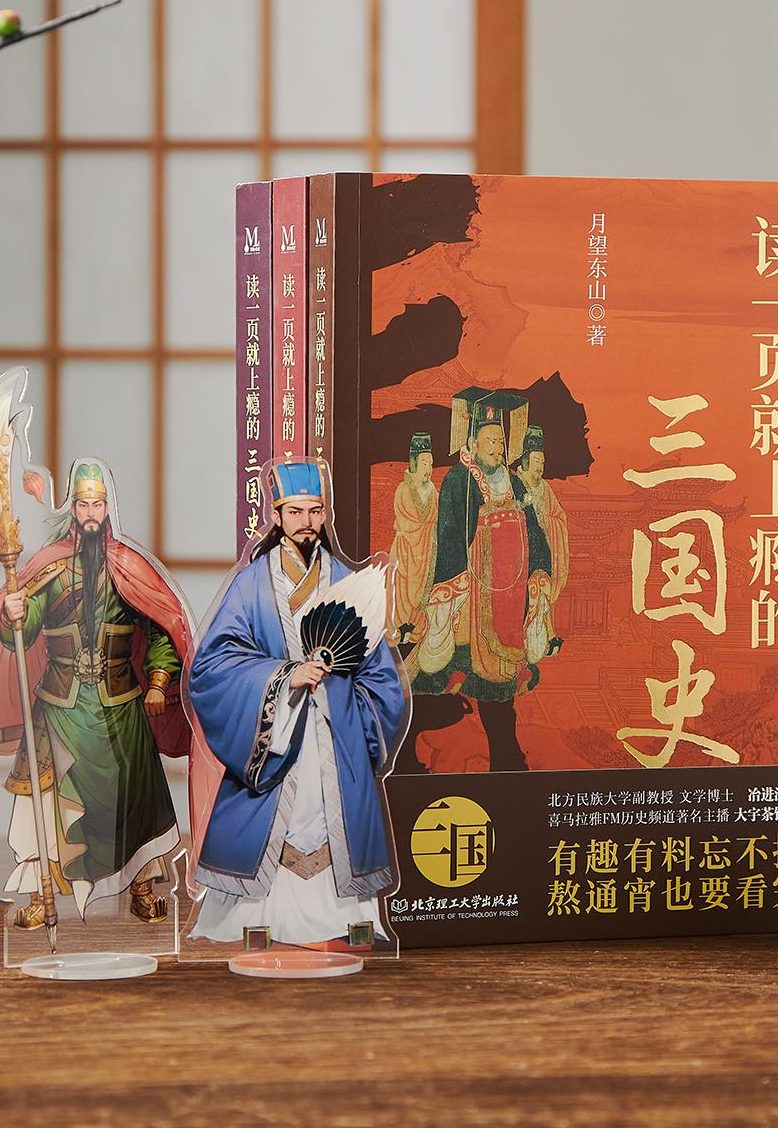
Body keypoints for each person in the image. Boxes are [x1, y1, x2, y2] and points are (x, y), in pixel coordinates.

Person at [0, 461, 193, 925]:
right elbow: (18, 635)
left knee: (136, 799)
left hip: (121, 706)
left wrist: (159, 682)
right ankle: (41, 895)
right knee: (42, 802)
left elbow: (161, 628)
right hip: (59, 706)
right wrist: (13, 612)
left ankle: (141, 886)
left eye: (98, 503)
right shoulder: (49, 566)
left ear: (108, 507)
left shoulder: (128, 567)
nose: (91, 512)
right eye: (83, 504)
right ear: (72, 509)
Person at [188, 460, 408, 946]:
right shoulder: (251, 585)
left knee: (334, 819)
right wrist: (284, 677)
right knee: (272, 819)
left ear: (325, 514)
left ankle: (346, 920)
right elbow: (212, 667)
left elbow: (383, 681)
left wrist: (348, 710)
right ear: (277, 516)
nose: (306, 522)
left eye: (315, 511)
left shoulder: (348, 584)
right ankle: (255, 919)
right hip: (274, 735)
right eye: (295, 512)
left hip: (334, 736)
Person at [407, 389, 555, 771]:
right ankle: (406, 754)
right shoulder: (459, 479)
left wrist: (540, 568)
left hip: (511, 597)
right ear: (472, 443)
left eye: (501, 442)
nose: (497, 449)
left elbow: (534, 529)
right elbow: (449, 536)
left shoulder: (515, 483)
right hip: (472, 596)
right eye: (489, 441)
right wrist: (456, 585)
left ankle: (507, 759)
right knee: (442, 680)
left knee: (499, 693)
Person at [514, 425, 568, 663]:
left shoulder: (544, 488)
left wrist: (547, 521)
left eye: (542, 462)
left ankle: (549, 635)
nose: (540, 466)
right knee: (525, 596)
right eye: (536, 461)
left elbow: (559, 516)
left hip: (541, 549)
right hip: (519, 550)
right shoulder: (515, 483)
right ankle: (523, 640)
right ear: (526, 460)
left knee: (543, 590)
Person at [390, 431, 438, 646]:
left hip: (426, 549)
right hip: (406, 549)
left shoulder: (432, 490)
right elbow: (407, 520)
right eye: (424, 463)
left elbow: (436, 517)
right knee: (401, 590)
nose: (428, 469)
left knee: (424, 590)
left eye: (431, 464)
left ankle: (416, 629)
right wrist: (423, 530)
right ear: (414, 463)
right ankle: (399, 628)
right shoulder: (403, 489)